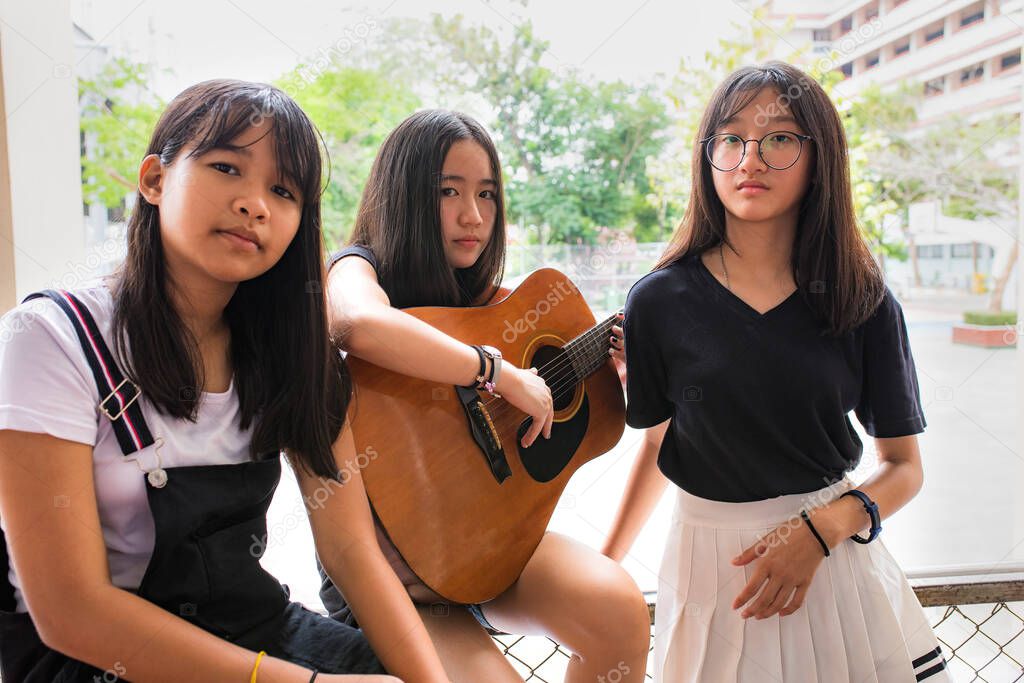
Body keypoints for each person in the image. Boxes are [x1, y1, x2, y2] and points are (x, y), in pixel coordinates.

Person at [0, 79, 448, 682]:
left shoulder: (293, 353)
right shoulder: (50, 338)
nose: (254, 203)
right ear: (155, 179)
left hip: (253, 630)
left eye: (282, 190)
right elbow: (71, 611)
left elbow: (351, 552)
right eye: (226, 167)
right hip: (98, 658)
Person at [602, 62, 950, 682]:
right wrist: (607, 564)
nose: (749, 159)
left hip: (832, 560)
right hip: (707, 565)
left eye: (780, 139)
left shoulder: (860, 298)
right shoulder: (657, 300)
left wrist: (822, 530)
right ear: (707, 156)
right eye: (730, 139)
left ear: (821, 158)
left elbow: (904, 466)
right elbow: (658, 443)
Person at [322, 109, 650, 683]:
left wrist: (614, 373)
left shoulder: (498, 302)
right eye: (448, 191)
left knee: (618, 611)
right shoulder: (359, 269)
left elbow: (572, 405)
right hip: (393, 570)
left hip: (494, 547)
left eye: (487, 194)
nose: (473, 215)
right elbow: (355, 322)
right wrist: (496, 373)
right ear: (404, 196)